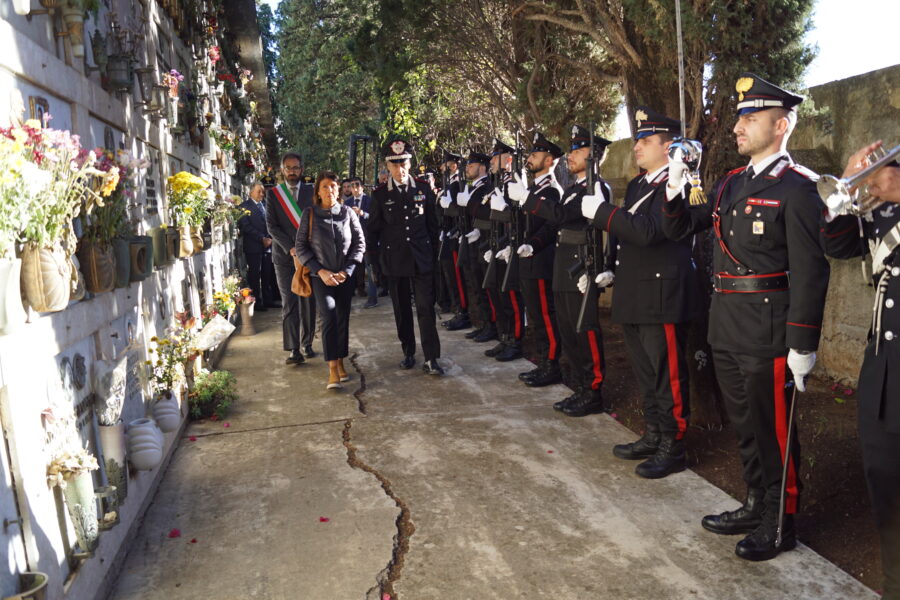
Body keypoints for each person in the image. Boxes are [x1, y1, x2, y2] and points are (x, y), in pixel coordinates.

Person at [662, 73, 830, 561]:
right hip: (728, 324)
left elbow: (811, 270)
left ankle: (781, 521)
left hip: (768, 327)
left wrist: (803, 342)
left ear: (781, 126)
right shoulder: (729, 184)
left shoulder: (798, 189)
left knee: (774, 429)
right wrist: (676, 187)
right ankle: (755, 501)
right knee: (746, 424)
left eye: (749, 119)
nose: (737, 127)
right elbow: (682, 227)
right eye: (739, 118)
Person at [582, 111, 698, 476]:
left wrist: (603, 213)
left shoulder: (683, 183)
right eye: (637, 140)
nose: (636, 147)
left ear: (669, 147)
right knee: (646, 373)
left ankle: (673, 444)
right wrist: (608, 266)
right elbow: (627, 234)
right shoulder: (637, 184)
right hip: (634, 291)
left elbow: (652, 231)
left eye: (645, 141)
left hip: (661, 295)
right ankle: (653, 433)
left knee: (668, 375)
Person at [822, 141, 900, 599]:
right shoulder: (884, 189)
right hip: (886, 356)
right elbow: (839, 245)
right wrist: (847, 190)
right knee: (883, 472)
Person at [525, 125, 612, 416]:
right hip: (563, 263)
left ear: (594, 155)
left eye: (578, 149)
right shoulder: (574, 188)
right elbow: (555, 226)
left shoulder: (596, 186)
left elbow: (566, 217)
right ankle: (579, 385)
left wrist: (529, 201)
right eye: (571, 149)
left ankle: (593, 390)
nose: (571, 155)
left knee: (584, 329)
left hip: (582, 265)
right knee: (567, 327)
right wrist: (534, 245)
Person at [368, 137, 444, 375]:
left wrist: (434, 258)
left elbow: (434, 226)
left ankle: (431, 357)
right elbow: (373, 233)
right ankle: (408, 351)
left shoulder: (422, 189)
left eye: (403, 164)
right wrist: (376, 265)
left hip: (421, 259)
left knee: (425, 308)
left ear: (410, 163)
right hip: (395, 260)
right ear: (387, 166)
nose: (399, 169)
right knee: (401, 309)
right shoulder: (380, 195)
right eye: (394, 165)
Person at [295, 172, 365, 389]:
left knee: (342, 319)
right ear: (318, 191)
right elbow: (301, 247)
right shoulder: (310, 214)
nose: (330, 190)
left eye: (333, 186)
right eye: (325, 186)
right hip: (320, 277)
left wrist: (348, 270)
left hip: (345, 276)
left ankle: (342, 362)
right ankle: (333, 368)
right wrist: (320, 270)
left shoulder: (348, 213)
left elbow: (359, 244)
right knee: (329, 316)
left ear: (339, 189)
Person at [507, 132, 564, 388]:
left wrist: (533, 244)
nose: (530, 158)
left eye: (535, 154)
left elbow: (551, 225)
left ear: (550, 160)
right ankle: (543, 362)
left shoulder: (551, 190)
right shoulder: (530, 189)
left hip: (541, 260)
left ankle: (551, 365)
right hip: (527, 259)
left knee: (544, 315)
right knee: (536, 314)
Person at [265, 152, 318, 364]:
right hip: (284, 257)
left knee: (308, 300)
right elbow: (272, 226)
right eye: (288, 168)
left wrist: (305, 249)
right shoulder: (274, 195)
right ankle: (293, 349)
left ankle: (307, 343)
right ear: (282, 171)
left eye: (296, 167)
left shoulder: (312, 192)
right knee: (289, 301)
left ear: (302, 169)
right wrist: (292, 248)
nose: (292, 171)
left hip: (309, 256)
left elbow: (317, 221)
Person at [484, 139, 524, 362]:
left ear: (508, 159)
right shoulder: (500, 182)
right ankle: (506, 337)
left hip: (512, 245)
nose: (491, 161)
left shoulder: (516, 181)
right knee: (500, 294)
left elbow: (519, 216)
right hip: (499, 244)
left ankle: (516, 341)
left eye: (496, 157)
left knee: (512, 298)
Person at [459, 151, 498, 343]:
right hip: (474, 240)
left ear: (482, 167)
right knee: (476, 285)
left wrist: (468, 204)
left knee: (485, 286)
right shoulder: (474, 188)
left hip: (484, 241)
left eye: (471, 165)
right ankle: (484, 324)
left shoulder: (486, 187)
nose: (467, 168)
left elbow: (485, 213)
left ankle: (491, 325)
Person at [438, 151, 472, 331]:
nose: (441, 168)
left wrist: (453, 230)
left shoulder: (458, 183)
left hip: (455, 234)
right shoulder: (449, 183)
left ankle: (463, 312)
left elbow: (460, 210)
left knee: (457, 276)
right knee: (450, 274)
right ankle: (458, 309)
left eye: (445, 164)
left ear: (452, 166)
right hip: (447, 233)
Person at [238, 182, 277, 311]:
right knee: (255, 275)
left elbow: (272, 223)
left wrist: (270, 238)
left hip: (267, 246)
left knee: (267, 274)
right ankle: (257, 302)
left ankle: (268, 300)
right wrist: (261, 238)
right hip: (253, 246)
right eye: (258, 191)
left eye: (262, 192)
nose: (262, 194)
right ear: (250, 192)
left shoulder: (266, 205)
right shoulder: (244, 207)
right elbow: (246, 226)